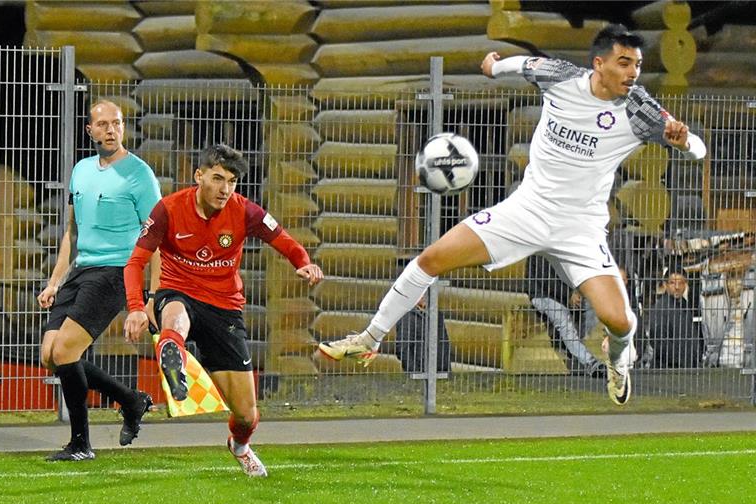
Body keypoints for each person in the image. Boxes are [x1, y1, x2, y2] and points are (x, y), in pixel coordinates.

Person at [319, 24, 706, 406]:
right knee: (430, 259)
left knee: (620, 320)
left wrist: (684, 142)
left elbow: (698, 149)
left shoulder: (639, 108)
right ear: (599, 63)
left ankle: (620, 360)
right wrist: (492, 68)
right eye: (624, 63)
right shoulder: (561, 78)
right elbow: (524, 64)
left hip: (581, 229)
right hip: (527, 211)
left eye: (637, 65)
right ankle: (368, 340)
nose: (633, 73)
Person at [123, 144, 323, 477]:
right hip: (178, 292)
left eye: (231, 181)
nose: (225, 188)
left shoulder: (245, 211)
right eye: (217, 178)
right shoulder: (168, 210)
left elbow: (284, 239)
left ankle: (240, 446)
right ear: (198, 176)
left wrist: (304, 263)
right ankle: (172, 354)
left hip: (224, 309)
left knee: (247, 414)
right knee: (175, 314)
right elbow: (135, 263)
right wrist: (135, 308)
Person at [37, 100, 161, 461]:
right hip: (81, 270)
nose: (110, 130)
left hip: (116, 272)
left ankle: (80, 444)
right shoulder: (81, 171)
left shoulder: (139, 175)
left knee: (64, 351)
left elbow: (156, 240)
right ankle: (131, 399)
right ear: (89, 130)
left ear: (123, 128)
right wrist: (55, 280)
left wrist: (150, 296)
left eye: (117, 123)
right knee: (50, 355)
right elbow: (71, 232)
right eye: (103, 124)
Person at [527, 256, 605, 378]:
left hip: (563, 294)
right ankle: (591, 363)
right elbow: (547, 281)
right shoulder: (542, 250)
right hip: (542, 294)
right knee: (563, 319)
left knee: (592, 307)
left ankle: (571, 347)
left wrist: (578, 292)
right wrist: (569, 294)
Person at [646, 270, 703, 368]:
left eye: (680, 283)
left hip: (686, 366)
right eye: (672, 283)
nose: (677, 287)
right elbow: (659, 341)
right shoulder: (661, 307)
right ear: (665, 285)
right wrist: (681, 362)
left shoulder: (684, 305)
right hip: (668, 368)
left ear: (685, 285)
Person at [394, 296, 450, 373]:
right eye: (421, 293)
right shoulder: (407, 317)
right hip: (420, 372)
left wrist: (447, 370)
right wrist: (414, 373)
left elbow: (444, 343)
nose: (424, 296)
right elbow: (403, 348)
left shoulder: (437, 315)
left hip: (440, 371)